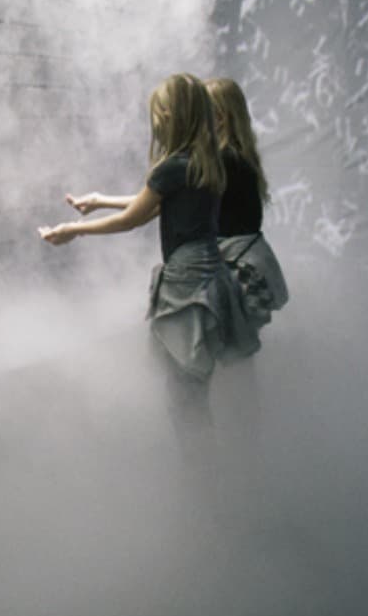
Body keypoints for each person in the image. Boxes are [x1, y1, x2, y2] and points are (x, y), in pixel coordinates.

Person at [38, 73, 258, 391]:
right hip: (210, 274)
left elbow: (133, 218)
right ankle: (224, 437)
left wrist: (75, 230)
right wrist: (99, 201)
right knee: (199, 378)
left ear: (169, 116)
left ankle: (199, 441)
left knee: (182, 387)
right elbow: (159, 205)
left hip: (185, 280)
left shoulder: (173, 167)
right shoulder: (207, 163)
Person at [205, 78, 289, 331]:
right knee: (240, 348)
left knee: (231, 349)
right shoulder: (240, 156)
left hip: (240, 268)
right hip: (252, 264)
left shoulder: (224, 160)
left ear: (219, 116)